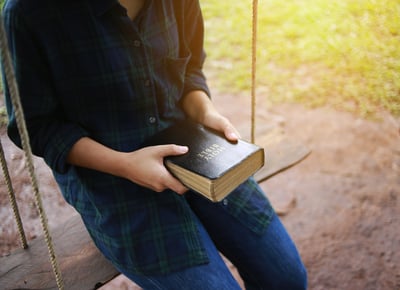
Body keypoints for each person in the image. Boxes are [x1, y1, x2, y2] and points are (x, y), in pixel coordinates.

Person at [2, 0, 307, 289]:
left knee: (287, 279)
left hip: (193, 149)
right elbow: (38, 126)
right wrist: (125, 164)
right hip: (112, 178)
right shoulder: (29, 13)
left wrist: (205, 112)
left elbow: (189, 71)